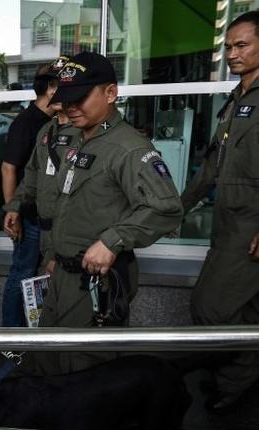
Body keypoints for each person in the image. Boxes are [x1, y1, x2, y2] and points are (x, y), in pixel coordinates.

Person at [27, 52, 183, 373]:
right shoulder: (76, 137)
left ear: (111, 93)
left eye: (81, 98)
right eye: (67, 98)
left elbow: (166, 207)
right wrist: (56, 253)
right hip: (62, 272)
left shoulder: (129, 148)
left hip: (97, 283)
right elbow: (69, 202)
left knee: (83, 373)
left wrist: (113, 240)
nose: (71, 107)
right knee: (45, 358)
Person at [181, 10, 259, 411]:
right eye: (228, 46)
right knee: (242, 311)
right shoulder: (235, 99)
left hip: (251, 225)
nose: (231, 53)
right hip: (226, 221)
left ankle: (235, 385)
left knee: (211, 306)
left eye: (241, 45)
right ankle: (238, 379)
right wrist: (176, 208)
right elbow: (212, 165)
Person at [0, 61, 62, 326]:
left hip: (48, 217)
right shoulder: (27, 123)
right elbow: (8, 168)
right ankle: (10, 335)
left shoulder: (55, 123)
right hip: (28, 216)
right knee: (22, 272)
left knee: (38, 274)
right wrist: (12, 212)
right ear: (51, 88)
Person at [4, 56, 77, 277]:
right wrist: (13, 209)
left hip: (64, 229)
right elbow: (24, 172)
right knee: (24, 276)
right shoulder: (41, 128)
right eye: (52, 85)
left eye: (60, 86)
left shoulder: (85, 132)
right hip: (35, 220)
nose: (54, 91)